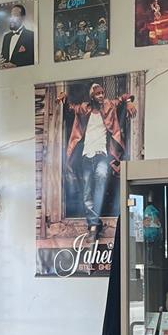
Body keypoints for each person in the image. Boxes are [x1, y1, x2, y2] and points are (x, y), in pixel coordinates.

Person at [61, 82, 137, 240]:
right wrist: (65, 98)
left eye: (102, 93)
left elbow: (124, 97)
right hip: (86, 156)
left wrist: (129, 102)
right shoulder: (85, 108)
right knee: (87, 192)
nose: (101, 96)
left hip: (102, 155)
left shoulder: (109, 105)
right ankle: (94, 224)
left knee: (100, 182)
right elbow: (71, 108)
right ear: (92, 96)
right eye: (98, 93)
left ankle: (94, 224)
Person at [0, 2, 34, 67]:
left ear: (23, 18)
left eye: (15, 15)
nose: (12, 19)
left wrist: (16, 66)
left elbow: (33, 61)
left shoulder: (31, 36)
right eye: (11, 16)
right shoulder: (6, 37)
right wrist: (0, 64)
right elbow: (3, 58)